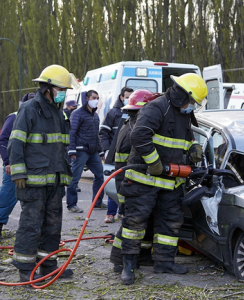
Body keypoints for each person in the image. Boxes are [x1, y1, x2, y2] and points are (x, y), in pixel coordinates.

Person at [118, 73, 206, 285]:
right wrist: (155, 163)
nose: (192, 106)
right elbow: (139, 136)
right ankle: (128, 266)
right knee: (136, 222)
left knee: (170, 222)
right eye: (192, 101)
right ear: (183, 95)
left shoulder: (184, 114)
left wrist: (193, 148)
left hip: (170, 182)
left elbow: (183, 141)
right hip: (143, 179)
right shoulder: (157, 107)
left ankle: (164, 262)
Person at [8, 65, 77, 282]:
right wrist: (18, 173)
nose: (64, 93)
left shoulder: (59, 112)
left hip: (55, 181)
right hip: (33, 182)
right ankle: (26, 271)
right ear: (48, 87)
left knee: (52, 227)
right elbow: (15, 143)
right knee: (31, 226)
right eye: (61, 89)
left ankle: (48, 267)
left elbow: (60, 147)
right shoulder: (29, 109)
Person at [109, 90, 160, 274]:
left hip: (133, 184)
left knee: (142, 223)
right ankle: (119, 260)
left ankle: (143, 256)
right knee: (131, 226)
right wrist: (123, 196)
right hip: (130, 185)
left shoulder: (130, 125)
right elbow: (123, 167)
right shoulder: (133, 131)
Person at [0, 92, 35, 243]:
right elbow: (2, 141)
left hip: (33, 167)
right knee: (7, 197)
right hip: (15, 165)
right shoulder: (14, 117)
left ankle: (30, 231)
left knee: (32, 200)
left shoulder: (39, 118)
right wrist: (7, 162)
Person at [66, 90, 106, 213]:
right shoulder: (77, 114)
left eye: (97, 98)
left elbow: (96, 135)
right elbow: (72, 133)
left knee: (100, 175)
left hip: (93, 152)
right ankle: (72, 204)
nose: (96, 100)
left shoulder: (95, 115)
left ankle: (97, 202)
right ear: (87, 98)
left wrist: (100, 152)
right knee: (74, 178)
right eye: (94, 97)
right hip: (80, 151)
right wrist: (71, 150)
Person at [100, 87, 134, 220]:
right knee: (114, 184)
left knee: (128, 185)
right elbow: (103, 132)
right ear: (121, 97)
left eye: (131, 97)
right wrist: (107, 150)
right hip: (115, 157)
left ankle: (123, 211)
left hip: (131, 158)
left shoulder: (136, 113)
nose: (129, 99)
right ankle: (110, 213)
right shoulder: (113, 113)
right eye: (127, 97)